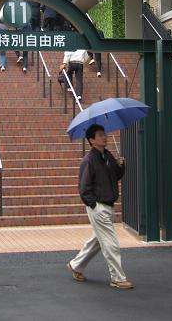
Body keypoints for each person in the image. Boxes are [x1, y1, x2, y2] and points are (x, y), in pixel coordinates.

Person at [67, 124, 133, 289]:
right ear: (91, 140)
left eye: (104, 134)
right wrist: (94, 205)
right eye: (100, 135)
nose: (105, 137)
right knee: (111, 242)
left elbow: (115, 176)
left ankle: (76, 265)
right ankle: (118, 278)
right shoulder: (89, 160)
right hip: (98, 207)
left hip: (108, 205)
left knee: (97, 240)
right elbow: (84, 188)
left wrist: (120, 166)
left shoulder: (107, 156)